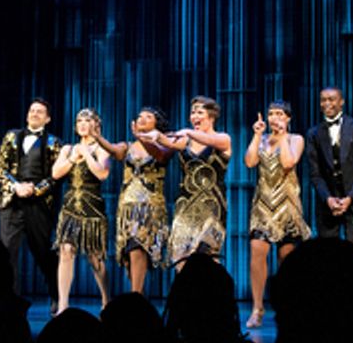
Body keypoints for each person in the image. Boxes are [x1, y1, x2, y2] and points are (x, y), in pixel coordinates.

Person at [243, 101, 309, 329]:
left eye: (279, 114)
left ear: (288, 118)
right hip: (263, 204)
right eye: (271, 114)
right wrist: (256, 135)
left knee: (286, 258)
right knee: (257, 249)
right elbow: (250, 162)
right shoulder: (261, 140)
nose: (274, 117)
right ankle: (257, 308)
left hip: (287, 204)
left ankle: (287, 306)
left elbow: (289, 162)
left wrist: (281, 137)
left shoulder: (295, 139)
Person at [0, 97, 63, 310]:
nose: (34, 114)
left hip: (39, 204)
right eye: (32, 110)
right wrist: (16, 186)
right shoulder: (11, 136)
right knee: (7, 252)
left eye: (40, 112)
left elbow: (56, 177)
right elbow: (0, 169)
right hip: (12, 200)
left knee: (42, 251)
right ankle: (10, 300)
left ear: (48, 118)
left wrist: (36, 189)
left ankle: (55, 292)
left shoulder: (54, 142)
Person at [98, 107, 173, 294]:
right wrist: (97, 137)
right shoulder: (128, 146)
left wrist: (142, 137)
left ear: (157, 123)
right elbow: (114, 151)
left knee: (139, 248)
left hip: (150, 207)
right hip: (127, 207)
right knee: (130, 251)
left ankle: (135, 296)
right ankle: (135, 295)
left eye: (148, 117)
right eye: (139, 116)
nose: (142, 118)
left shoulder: (166, 143)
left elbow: (161, 155)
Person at [159, 95, 232, 269]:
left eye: (200, 112)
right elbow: (164, 143)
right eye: (193, 113)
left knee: (207, 256)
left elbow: (209, 140)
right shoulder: (185, 140)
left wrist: (189, 132)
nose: (195, 117)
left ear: (212, 116)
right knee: (181, 255)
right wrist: (151, 136)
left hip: (212, 206)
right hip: (186, 206)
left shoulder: (223, 138)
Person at [52, 108, 112, 314]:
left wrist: (86, 152)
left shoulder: (101, 148)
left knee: (95, 258)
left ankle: (106, 298)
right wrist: (72, 157)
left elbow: (102, 173)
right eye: (79, 120)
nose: (83, 124)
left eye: (88, 120)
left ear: (97, 124)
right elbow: (56, 173)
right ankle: (63, 304)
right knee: (66, 251)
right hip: (70, 207)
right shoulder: (68, 148)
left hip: (92, 208)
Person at [306, 87, 353, 247]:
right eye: (323, 100)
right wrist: (328, 198)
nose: (327, 104)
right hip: (327, 205)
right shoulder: (314, 133)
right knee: (329, 255)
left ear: (341, 102)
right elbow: (315, 173)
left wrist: (350, 198)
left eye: (331, 99)